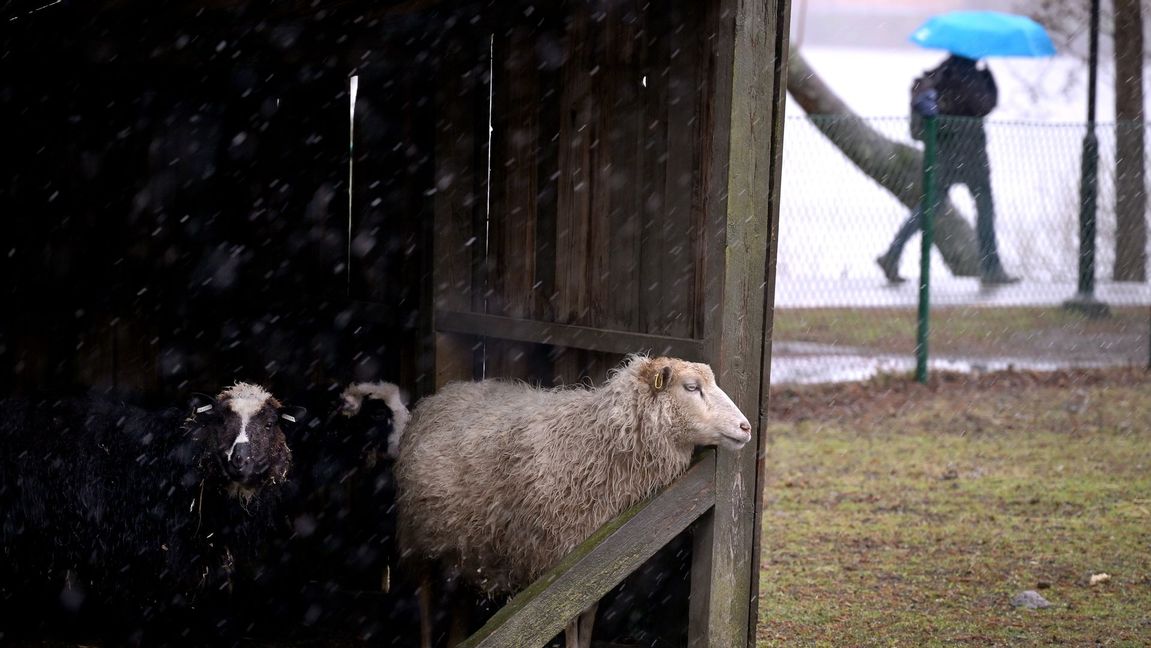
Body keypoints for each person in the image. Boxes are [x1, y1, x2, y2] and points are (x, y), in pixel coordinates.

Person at [877, 54, 1019, 286]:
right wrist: (988, 76)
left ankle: (893, 254)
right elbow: (985, 106)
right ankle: (991, 267)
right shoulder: (969, 75)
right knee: (984, 208)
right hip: (970, 154)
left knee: (930, 206)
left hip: (941, 153)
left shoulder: (936, 77)